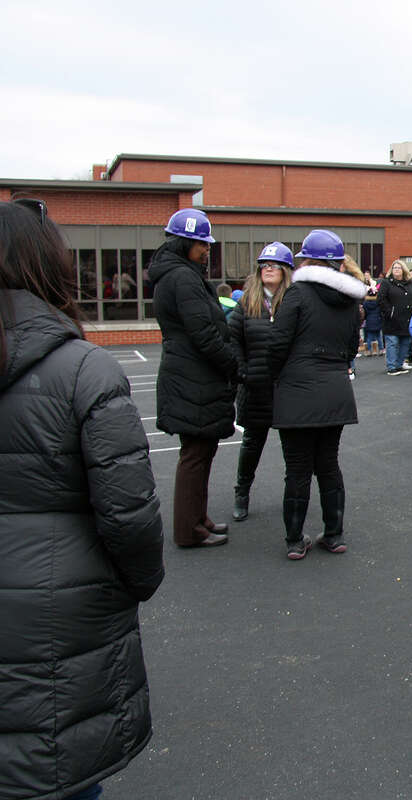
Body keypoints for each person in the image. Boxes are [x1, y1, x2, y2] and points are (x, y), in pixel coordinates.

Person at [0, 200, 165, 800]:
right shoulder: (84, 370)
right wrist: (136, 582)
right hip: (59, 615)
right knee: (58, 771)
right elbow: (130, 514)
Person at [267, 229, 366, 560]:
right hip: (335, 389)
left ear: (308, 260)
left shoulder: (296, 295)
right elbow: (351, 349)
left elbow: (277, 344)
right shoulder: (350, 303)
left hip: (297, 390)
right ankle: (334, 534)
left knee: (296, 469)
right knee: (328, 464)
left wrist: (273, 377)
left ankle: (295, 539)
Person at [149, 208, 240, 548]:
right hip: (194, 377)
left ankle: (198, 520)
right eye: (202, 245)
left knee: (201, 452)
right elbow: (203, 333)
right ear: (184, 242)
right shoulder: (182, 278)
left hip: (190, 375)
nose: (206, 251)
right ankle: (189, 530)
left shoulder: (177, 273)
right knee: (195, 455)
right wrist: (233, 364)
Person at [229, 241, 293, 522]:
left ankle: (294, 499)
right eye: (264, 265)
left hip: (287, 388)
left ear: (285, 271)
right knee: (252, 444)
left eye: (275, 265)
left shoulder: (294, 301)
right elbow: (233, 341)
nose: (268, 268)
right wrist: (242, 372)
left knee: (294, 448)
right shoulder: (246, 302)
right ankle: (241, 493)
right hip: (255, 388)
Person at [378, 259, 412, 375]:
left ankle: (399, 364)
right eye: (394, 268)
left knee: (405, 342)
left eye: (399, 268)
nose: (396, 270)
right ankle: (391, 366)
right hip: (392, 320)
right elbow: (381, 299)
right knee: (392, 342)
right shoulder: (386, 283)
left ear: (403, 270)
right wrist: (389, 312)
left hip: (407, 318)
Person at [361, 277, 383, 357]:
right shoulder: (378, 303)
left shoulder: (365, 303)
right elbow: (381, 312)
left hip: (369, 321)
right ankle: (381, 349)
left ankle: (369, 351)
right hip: (377, 320)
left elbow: (365, 313)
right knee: (379, 337)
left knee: (369, 337)